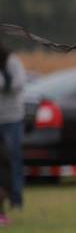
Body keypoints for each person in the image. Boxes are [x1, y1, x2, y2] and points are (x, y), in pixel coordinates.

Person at [0, 42, 27, 210]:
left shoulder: (13, 62)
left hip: (13, 118)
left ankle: (16, 200)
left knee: (14, 159)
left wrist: (5, 83)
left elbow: (18, 83)